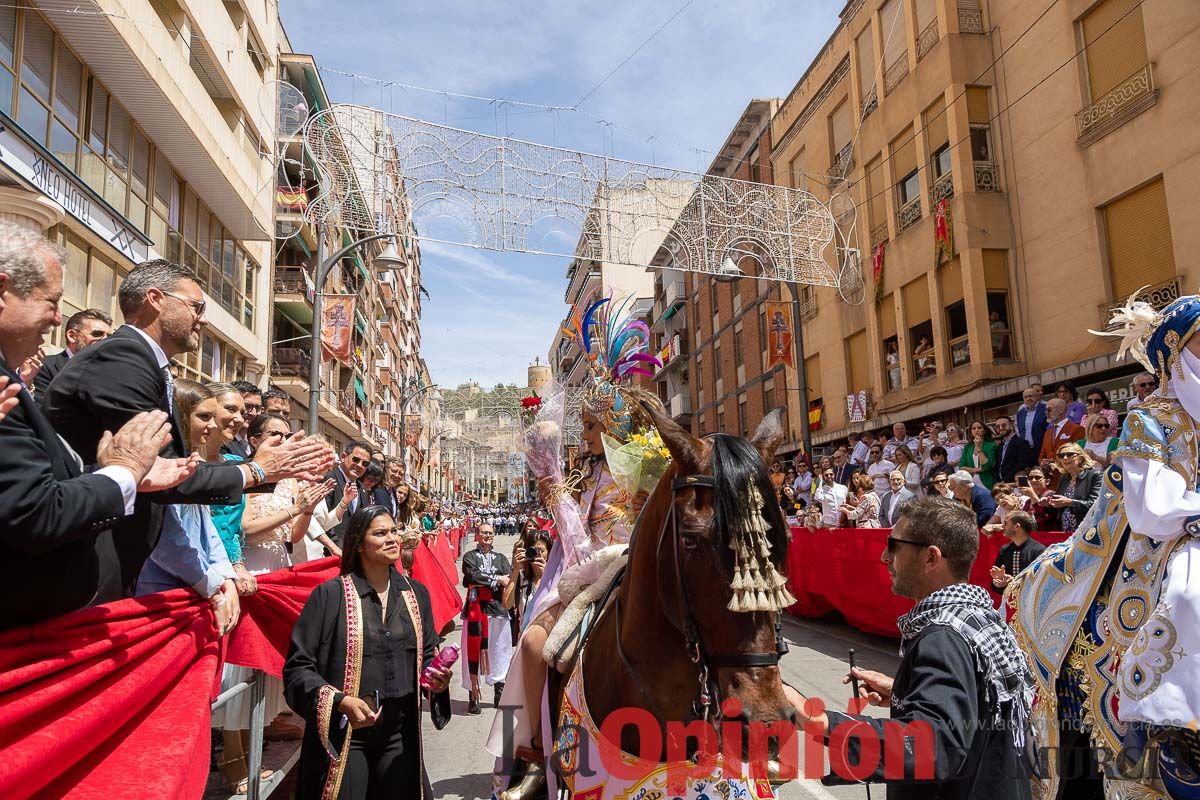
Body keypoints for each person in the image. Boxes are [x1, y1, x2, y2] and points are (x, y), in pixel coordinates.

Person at [44, 258, 331, 596]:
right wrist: (255, 471)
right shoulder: (123, 356)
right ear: (155, 298)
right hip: (87, 561)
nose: (203, 318)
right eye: (196, 306)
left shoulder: (146, 361)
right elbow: (158, 475)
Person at [1010, 294, 1200, 799]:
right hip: (1156, 548)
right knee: (1186, 597)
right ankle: (1168, 727)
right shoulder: (1149, 418)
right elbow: (1153, 510)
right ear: (1175, 356)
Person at [0, 227, 201, 626]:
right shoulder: (122, 358)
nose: (59, 318)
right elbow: (34, 511)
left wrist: (111, 473)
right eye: (51, 302)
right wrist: (123, 473)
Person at [787, 498, 1036, 800]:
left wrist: (821, 721)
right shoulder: (978, 617)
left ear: (931, 558)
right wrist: (903, 692)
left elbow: (934, 746)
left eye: (894, 546)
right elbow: (977, 706)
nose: (883, 556)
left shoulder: (944, 637)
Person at [283, 507, 452, 799]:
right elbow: (297, 669)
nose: (392, 539)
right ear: (359, 543)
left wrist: (437, 679)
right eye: (380, 533)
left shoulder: (417, 595)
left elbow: (426, 656)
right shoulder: (330, 597)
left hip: (399, 733)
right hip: (347, 734)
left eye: (394, 531)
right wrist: (340, 701)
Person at [135, 381, 240, 635]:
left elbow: (208, 531)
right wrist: (213, 587)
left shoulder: (195, 462)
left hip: (200, 590)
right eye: (204, 417)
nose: (213, 426)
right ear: (181, 415)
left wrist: (227, 578)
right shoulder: (159, 468)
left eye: (214, 417)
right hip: (162, 594)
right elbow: (170, 541)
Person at [461, 523, 512, 713]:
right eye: (484, 532)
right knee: (470, 652)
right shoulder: (469, 556)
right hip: (475, 610)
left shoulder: (501, 558)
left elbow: (509, 577)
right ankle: (474, 694)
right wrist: (497, 579)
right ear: (477, 534)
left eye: (490, 533)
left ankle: (500, 691)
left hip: (497, 608)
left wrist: (493, 579)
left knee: (500, 651)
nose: (487, 535)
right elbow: (472, 575)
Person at [30, 307, 112, 398]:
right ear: (72, 336)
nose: (105, 340)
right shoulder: (44, 367)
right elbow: (40, 407)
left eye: (109, 337)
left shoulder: (110, 373)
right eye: (97, 334)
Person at [503, 529, 551, 645]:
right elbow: (507, 604)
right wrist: (515, 570)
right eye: (533, 550)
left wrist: (546, 575)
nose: (537, 554)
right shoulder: (521, 576)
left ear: (549, 553)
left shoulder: (555, 576)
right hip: (525, 640)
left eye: (541, 551)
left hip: (548, 640)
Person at [1044, 443, 1101, 533]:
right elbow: (1058, 507)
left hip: (1086, 531)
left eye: (1070, 454)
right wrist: (1049, 503)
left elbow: (1095, 505)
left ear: (1080, 458)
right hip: (1064, 530)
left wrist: (1069, 502)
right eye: (1061, 456)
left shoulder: (1095, 475)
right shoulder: (1064, 478)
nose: (1065, 458)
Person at [325, 441, 371, 548]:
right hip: (331, 551)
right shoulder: (330, 479)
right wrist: (335, 547)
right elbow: (322, 520)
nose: (359, 465)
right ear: (343, 457)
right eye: (356, 459)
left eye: (365, 464)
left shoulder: (362, 489)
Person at [988, 510, 1044, 593]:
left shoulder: (1039, 551)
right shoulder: (1005, 550)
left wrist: (1014, 582)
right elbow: (997, 586)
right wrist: (998, 583)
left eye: (1006, 523)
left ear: (1017, 526)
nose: (1003, 526)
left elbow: (1042, 582)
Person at [220, 380, 263, 459]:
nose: (253, 413)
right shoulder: (221, 442)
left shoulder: (254, 443)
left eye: (257, 408)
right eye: (247, 407)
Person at [1037, 397, 1085, 465]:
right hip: (1050, 474)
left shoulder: (1077, 429)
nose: (1046, 413)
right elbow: (1042, 455)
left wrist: (1055, 463)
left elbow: (1078, 454)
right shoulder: (1048, 432)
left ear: (1061, 410)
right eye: (1046, 410)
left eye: (1049, 410)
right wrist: (1043, 463)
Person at [993, 414, 1036, 483]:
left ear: (1011, 425)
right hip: (1000, 484)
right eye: (998, 426)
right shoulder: (1000, 446)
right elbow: (997, 466)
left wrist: (1005, 481)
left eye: (1004, 425)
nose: (1000, 428)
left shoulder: (1021, 443)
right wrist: (996, 481)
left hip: (1014, 483)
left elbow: (1021, 465)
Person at [1017, 467, 1061, 533]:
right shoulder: (1028, 502)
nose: (1033, 480)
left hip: (1049, 537)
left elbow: (1044, 520)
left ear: (1047, 481)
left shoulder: (1052, 496)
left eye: (1037, 477)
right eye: (1030, 478)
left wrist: (1032, 495)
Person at [959, 420, 997, 490]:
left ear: (984, 431)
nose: (976, 430)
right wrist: (977, 470)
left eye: (979, 428)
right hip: (970, 482)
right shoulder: (968, 446)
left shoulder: (991, 446)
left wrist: (978, 447)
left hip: (987, 482)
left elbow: (986, 466)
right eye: (973, 428)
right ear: (971, 432)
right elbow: (961, 467)